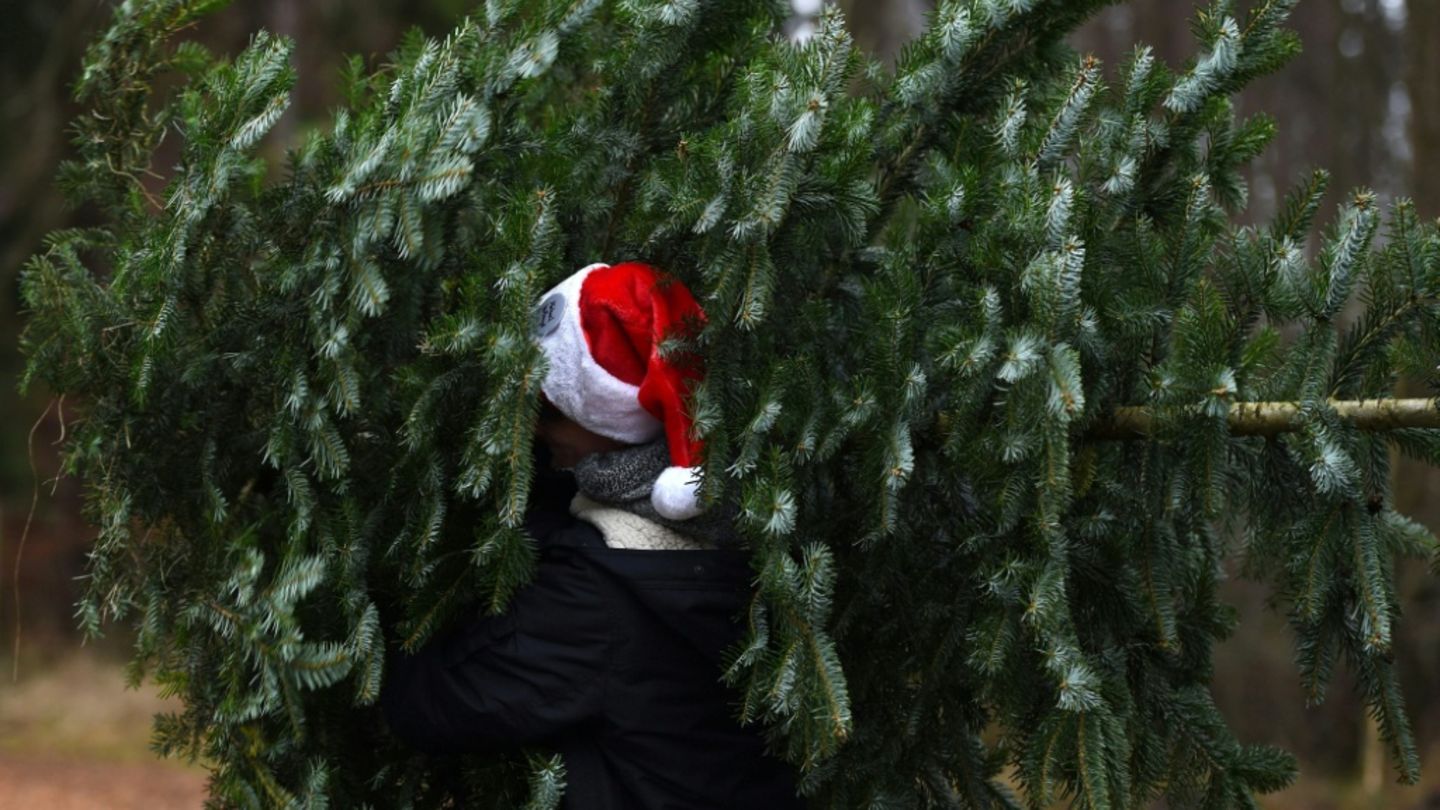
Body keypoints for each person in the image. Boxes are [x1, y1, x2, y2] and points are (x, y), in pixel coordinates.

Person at [381, 262, 806, 809]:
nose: (532, 430)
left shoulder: (601, 593)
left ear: (614, 419)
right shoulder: (749, 512)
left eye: (549, 411)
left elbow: (432, 702)